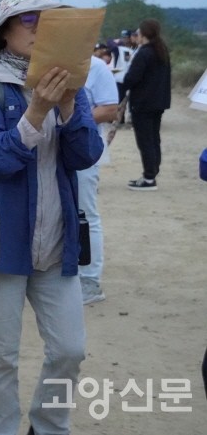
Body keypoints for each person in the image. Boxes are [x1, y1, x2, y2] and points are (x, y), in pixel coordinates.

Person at [0, 0, 103, 435]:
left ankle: (49, 424)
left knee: (70, 350)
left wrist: (69, 105)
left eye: (50, 19)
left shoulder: (69, 82)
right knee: (2, 356)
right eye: (29, 18)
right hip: (2, 246)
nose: (41, 27)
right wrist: (36, 111)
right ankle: (1, 429)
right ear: (4, 30)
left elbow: (86, 155)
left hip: (57, 242)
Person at [77, 56, 119, 305]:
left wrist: (71, 121)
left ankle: (90, 281)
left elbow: (109, 109)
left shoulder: (96, 67)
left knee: (85, 214)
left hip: (84, 150)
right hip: (49, 151)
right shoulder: (43, 62)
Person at [124, 18, 171, 191]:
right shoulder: (161, 51)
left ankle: (149, 178)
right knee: (153, 139)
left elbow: (132, 78)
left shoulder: (144, 53)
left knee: (145, 141)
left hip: (143, 103)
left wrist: (120, 87)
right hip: (158, 102)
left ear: (143, 34)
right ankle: (152, 173)